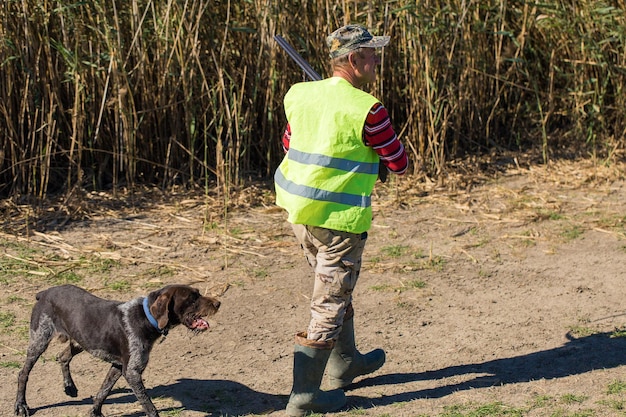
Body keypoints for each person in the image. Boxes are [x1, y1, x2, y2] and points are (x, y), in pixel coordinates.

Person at [274, 24, 409, 416]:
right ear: (354, 61)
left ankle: (345, 363)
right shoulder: (369, 109)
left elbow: (289, 143)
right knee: (329, 302)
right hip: (340, 222)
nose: (377, 61)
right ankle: (304, 398)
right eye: (371, 55)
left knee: (335, 288)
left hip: (300, 214)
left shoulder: (300, 95)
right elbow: (398, 162)